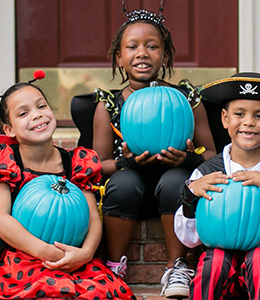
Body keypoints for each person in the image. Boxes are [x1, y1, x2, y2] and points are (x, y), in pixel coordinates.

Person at [70, 3, 222, 298]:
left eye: (152, 46)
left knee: (176, 179)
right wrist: (128, 164)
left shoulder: (185, 99)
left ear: (165, 55)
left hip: (177, 192)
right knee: (124, 182)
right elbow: (97, 165)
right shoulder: (109, 104)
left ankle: (176, 266)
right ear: (119, 57)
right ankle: (114, 266)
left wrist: (191, 159)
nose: (142, 53)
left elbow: (215, 157)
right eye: (132, 47)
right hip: (128, 196)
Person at [0, 74, 135, 300]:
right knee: (44, 290)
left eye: (41, 106)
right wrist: (43, 251)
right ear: (9, 130)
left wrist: (85, 253)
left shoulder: (75, 163)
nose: (37, 115)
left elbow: (92, 217)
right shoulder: (6, 162)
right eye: (23, 113)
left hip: (72, 254)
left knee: (100, 290)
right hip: (22, 254)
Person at [174, 72, 260, 300]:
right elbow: (189, 239)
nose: (248, 122)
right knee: (214, 260)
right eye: (239, 114)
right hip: (223, 268)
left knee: (259, 259)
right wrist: (190, 197)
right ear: (225, 119)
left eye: (259, 115)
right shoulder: (207, 172)